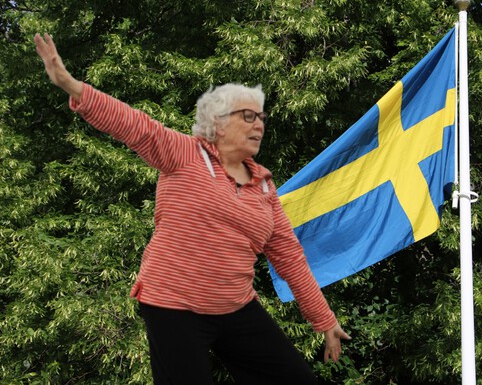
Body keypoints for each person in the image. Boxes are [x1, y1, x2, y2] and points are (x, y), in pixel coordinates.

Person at [34, 33, 351, 385]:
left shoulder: (263, 185)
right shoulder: (186, 154)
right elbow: (135, 125)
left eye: (261, 117)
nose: (259, 124)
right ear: (219, 123)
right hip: (173, 305)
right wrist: (70, 84)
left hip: (235, 306)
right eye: (248, 116)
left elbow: (290, 257)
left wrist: (324, 319)